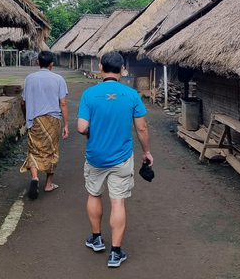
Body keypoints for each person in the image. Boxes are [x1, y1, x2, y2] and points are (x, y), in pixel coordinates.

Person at [77, 51, 153, 268]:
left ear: (100, 67)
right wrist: (146, 152)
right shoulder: (131, 95)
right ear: (122, 70)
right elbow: (141, 127)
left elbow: (82, 127)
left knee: (94, 194)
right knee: (117, 201)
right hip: (121, 158)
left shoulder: (89, 94)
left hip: (95, 157)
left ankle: (97, 239)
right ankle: (115, 253)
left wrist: (92, 132)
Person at [20, 50, 69, 199]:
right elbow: (63, 103)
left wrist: (26, 116)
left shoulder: (29, 78)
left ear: (37, 62)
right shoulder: (59, 79)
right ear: (52, 64)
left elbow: (23, 102)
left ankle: (34, 178)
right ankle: (48, 184)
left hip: (35, 119)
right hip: (53, 120)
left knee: (34, 150)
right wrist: (66, 124)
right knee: (51, 151)